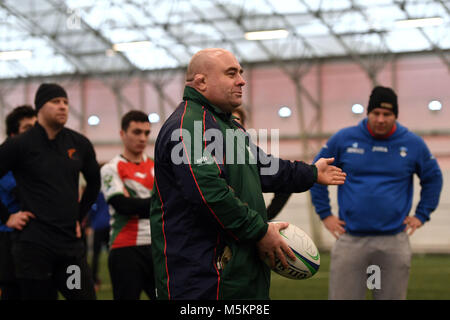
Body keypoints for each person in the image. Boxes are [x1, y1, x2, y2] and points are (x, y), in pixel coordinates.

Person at [150, 48, 346, 300]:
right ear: (201, 82)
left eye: (240, 73)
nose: (242, 80)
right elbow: (208, 193)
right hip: (201, 276)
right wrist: (260, 232)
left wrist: (309, 172)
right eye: (231, 73)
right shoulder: (187, 126)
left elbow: (263, 167)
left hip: (234, 270)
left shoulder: (228, 126)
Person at [310, 86, 443, 300]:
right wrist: (325, 214)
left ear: (395, 115)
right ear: (368, 112)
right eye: (376, 113)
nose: (381, 119)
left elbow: (433, 178)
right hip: (351, 239)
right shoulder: (344, 139)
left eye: (387, 114)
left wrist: (422, 214)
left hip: (393, 241)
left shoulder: (412, 143)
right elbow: (315, 172)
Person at [0, 83, 100, 300]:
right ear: (40, 108)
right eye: (55, 102)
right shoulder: (20, 145)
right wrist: (7, 217)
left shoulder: (78, 143)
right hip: (34, 248)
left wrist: (79, 216)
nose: (63, 106)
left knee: (83, 296)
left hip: (70, 249)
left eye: (65, 102)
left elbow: (94, 183)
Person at [101, 110, 156, 300]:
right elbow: (122, 205)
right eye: (137, 132)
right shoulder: (111, 168)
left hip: (156, 245)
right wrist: (157, 205)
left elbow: (172, 204)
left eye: (146, 133)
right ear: (122, 134)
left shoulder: (157, 167)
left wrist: (137, 205)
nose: (142, 138)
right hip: (124, 248)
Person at [0, 105, 37, 300]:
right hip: (8, 236)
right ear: (14, 134)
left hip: (28, 236)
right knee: (12, 290)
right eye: (28, 129)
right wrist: (7, 217)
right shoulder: (6, 159)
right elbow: (23, 192)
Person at [232, 107, 292, 220]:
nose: (232, 127)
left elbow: (283, 181)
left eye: (236, 123)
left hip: (247, 227)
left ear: (243, 127)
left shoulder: (252, 157)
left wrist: (266, 217)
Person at [85, 189, 110, 291]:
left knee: (96, 255)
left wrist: (88, 224)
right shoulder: (110, 191)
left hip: (99, 226)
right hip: (109, 225)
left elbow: (93, 209)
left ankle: (94, 281)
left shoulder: (97, 194)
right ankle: (119, 279)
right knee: (113, 255)